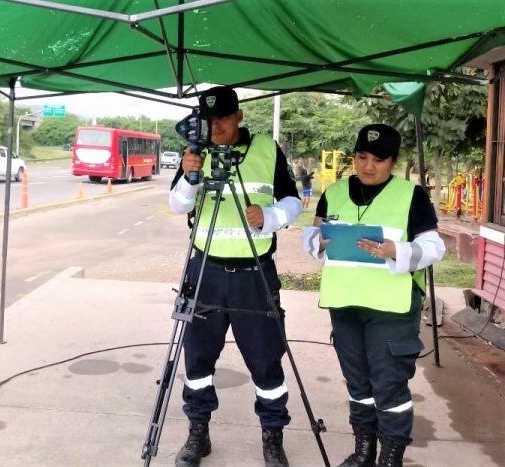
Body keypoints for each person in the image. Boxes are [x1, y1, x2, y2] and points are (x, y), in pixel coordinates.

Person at [169, 86, 302, 467]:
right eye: (209, 121)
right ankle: (198, 432)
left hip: (254, 275)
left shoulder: (266, 148)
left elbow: (293, 199)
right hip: (205, 270)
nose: (216, 128)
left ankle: (272, 437)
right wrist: (190, 176)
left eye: (223, 119)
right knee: (197, 358)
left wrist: (271, 217)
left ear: (239, 116)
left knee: (266, 361)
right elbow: (177, 205)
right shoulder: (195, 151)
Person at [301, 124, 445, 467]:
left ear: (393, 161)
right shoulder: (334, 192)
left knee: (390, 386)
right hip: (345, 305)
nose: (368, 166)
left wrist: (397, 249)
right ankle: (363, 450)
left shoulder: (412, 196)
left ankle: (390, 457)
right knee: (358, 382)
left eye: (378, 159)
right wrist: (318, 242)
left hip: (391, 309)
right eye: (362, 157)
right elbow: (313, 234)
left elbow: (434, 247)